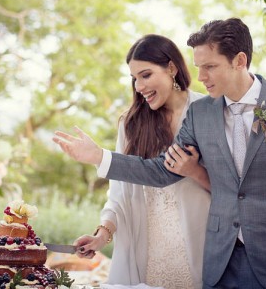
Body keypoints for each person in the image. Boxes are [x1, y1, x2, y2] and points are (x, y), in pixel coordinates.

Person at [54, 18, 266, 289]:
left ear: (239, 60)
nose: (201, 76)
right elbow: (161, 171)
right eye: (198, 67)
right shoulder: (200, 113)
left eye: (210, 67)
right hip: (219, 260)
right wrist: (99, 157)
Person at [74, 34, 211, 288]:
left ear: (171, 68)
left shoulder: (208, 110)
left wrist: (195, 170)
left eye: (146, 75)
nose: (139, 86)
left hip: (200, 245)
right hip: (146, 252)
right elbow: (119, 193)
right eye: (134, 78)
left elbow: (227, 185)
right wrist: (102, 234)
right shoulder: (131, 123)